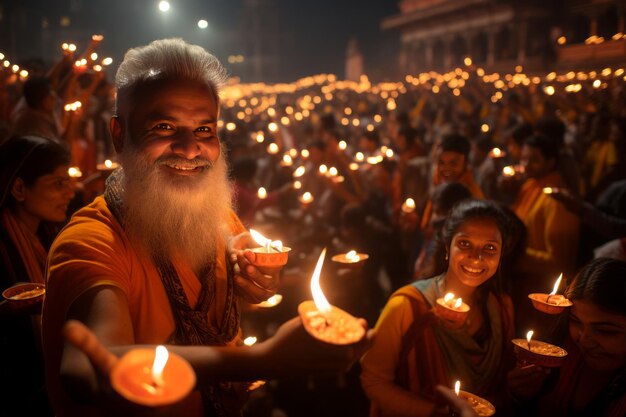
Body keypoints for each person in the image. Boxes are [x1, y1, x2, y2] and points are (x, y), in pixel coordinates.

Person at [41, 38, 371, 417]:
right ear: (119, 134)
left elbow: (236, 279)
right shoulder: (90, 241)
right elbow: (88, 369)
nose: (189, 148)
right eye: (164, 127)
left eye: (204, 130)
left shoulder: (216, 220)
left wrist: (256, 276)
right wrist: (263, 360)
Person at [361, 199, 515, 417]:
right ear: (447, 248)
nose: (476, 257)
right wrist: (432, 412)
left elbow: (503, 384)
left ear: (500, 258)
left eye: (490, 248)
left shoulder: (502, 309)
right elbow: (373, 380)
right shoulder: (407, 305)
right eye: (464, 244)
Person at [0, 135, 74, 416]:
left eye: (68, 182)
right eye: (58, 184)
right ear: (20, 188)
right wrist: (7, 311)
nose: (70, 192)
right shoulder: (4, 247)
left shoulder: (51, 235)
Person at [508, 257, 626, 417]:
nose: (584, 340)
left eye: (605, 331)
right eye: (576, 321)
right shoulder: (561, 356)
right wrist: (520, 396)